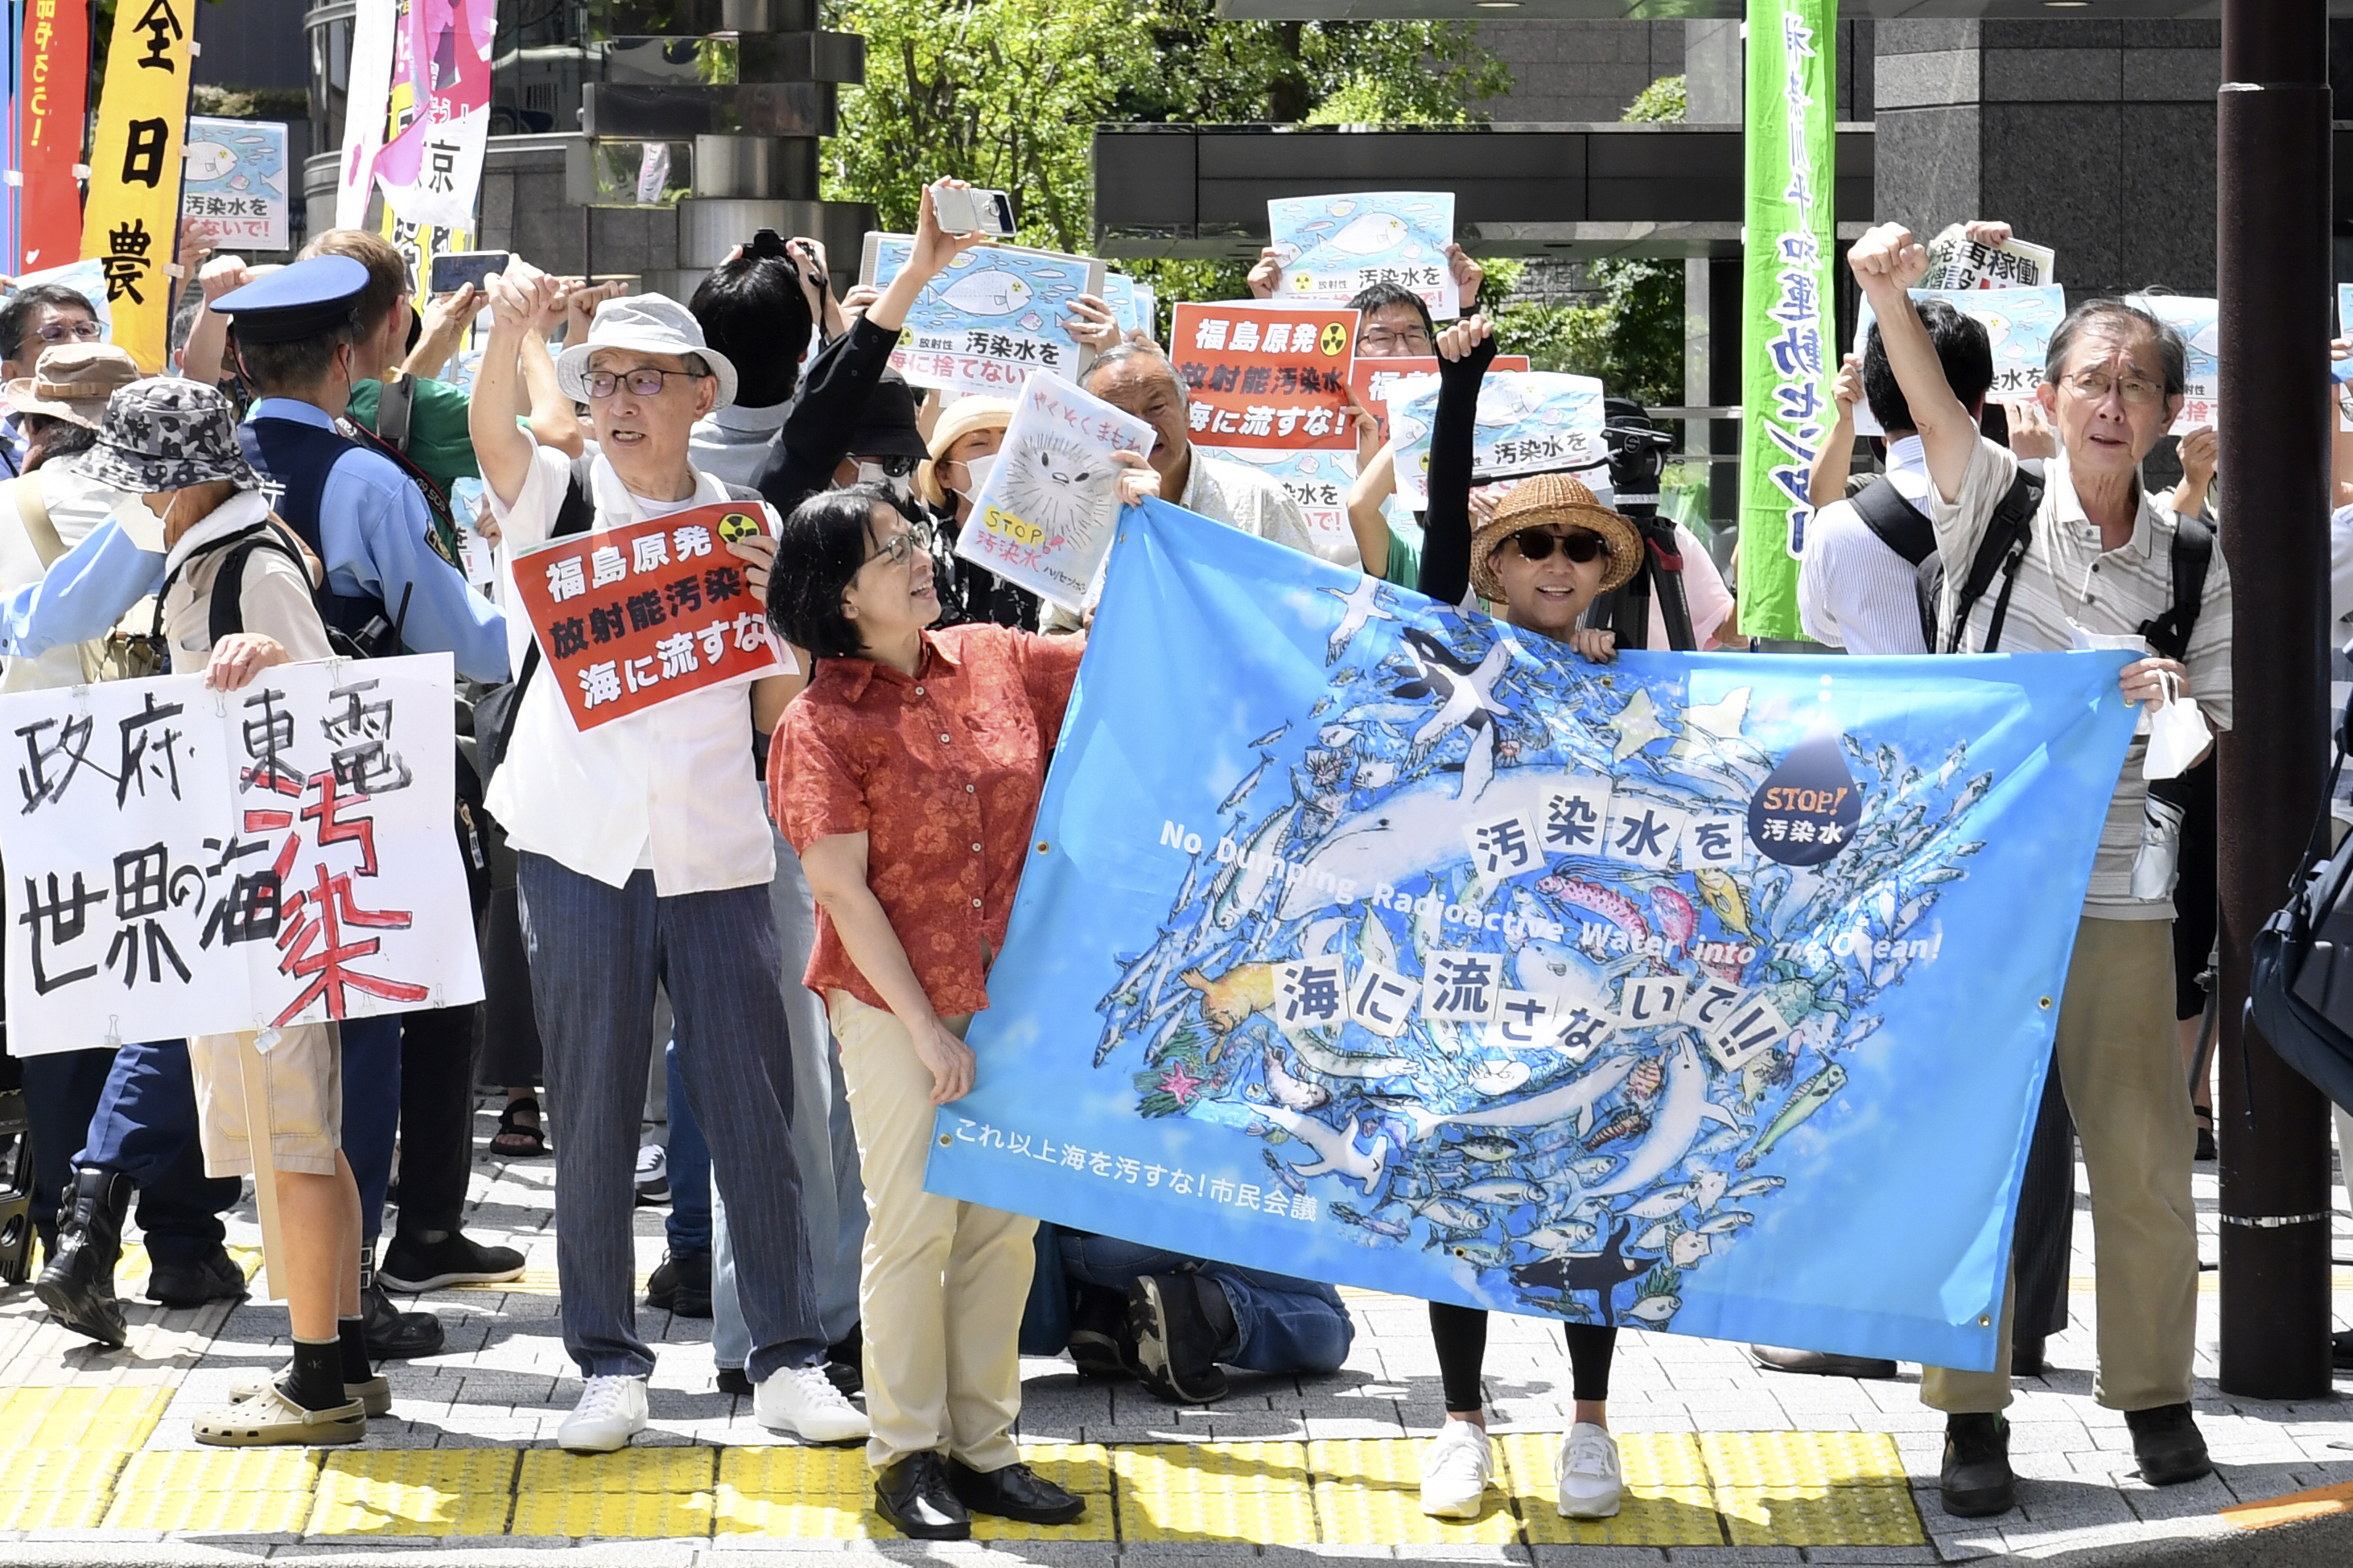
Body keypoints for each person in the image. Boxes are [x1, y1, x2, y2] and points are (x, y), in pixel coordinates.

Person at [1851, 221, 2230, 1517]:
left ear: (2174, 415)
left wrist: (2174, 694)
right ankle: (1972, 1419)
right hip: (1980, 894)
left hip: (2126, 889)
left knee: (2142, 1157)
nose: (2113, 404)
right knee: (1984, 1158)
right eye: (2093, 381)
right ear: (2045, 397)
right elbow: (1928, 398)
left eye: (2138, 386)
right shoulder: (1993, 497)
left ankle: (2158, 1401)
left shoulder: (2189, 557)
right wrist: (1891, 294)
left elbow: (2214, 725)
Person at [469, 265, 867, 1453]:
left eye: (650, 380)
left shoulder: (752, 531)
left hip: (715, 844)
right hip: (578, 842)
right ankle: (605, 1360)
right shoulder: (560, 500)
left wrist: (783, 619)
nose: (623, 401)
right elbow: (496, 431)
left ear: (704, 395)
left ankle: (792, 1353)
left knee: (755, 1097)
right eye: (605, 381)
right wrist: (509, 336)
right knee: (591, 1100)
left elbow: (773, 713)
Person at [768, 456, 1155, 1538]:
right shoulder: (820, 722)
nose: (919, 557)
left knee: (1001, 1231)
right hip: (895, 1003)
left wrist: (1130, 526)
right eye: (891, 550)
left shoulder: (991, 657)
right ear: (841, 594)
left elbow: (1122, 655)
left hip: (1014, 991)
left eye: (914, 539)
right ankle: (904, 1454)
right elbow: (838, 887)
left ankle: (986, 1446)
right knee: (917, 1225)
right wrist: (928, 1027)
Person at [68, 378, 378, 1446]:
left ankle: (317, 1380)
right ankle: (336, 1351)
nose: (141, 504)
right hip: (245, 882)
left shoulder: (247, 563)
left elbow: (337, 709)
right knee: (297, 1131)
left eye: (150, 484)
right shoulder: (218, 553)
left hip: (275, 889)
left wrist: (286, 662)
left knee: (291, 1134)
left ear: (191, 480)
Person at [1407, 315, 1636, 1523]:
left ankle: (1592, 1426)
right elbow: (1444, 521)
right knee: (1463, 1185)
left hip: (1591, 976)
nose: (1557, 564)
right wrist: (1461, 384)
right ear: (1495, 569)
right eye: (1534, 546)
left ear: (1604, 568)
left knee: (1592, 1191)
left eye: (1579, 548)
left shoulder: (1628, 673)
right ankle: (1459, 1420)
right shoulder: (1448, 644)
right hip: (1463, 966)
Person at [1041, 344, 1321, 631]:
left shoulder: (1258, 499)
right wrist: (1095, 637)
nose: (1143, 427)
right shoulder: (1078, 509)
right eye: (1119, 416)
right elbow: (1054, 631)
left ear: (1187, 411)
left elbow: (1315, 618)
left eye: (1156, 408)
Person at [1796, 300, 1995, 656]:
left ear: (1872, 406)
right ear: (1981, 402)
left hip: (1882, 711)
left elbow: (1822, 626)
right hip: (2001, 711)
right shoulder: (2030, 503)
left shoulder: (1835, 526)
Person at [1051, 1233, 1354, 1405]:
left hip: (1055, 1238)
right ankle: (1200, 1312)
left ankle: (1106, 1311)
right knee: (1335, 1322)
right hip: (1132, 1231)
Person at [913, 395, 1041, 630]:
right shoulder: (923, 554)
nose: (999, 455)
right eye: (979, 444)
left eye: (1011, 441)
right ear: (944, 474)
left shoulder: (1053, 548)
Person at [0, 282, 102, 475]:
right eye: (53, 334)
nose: (76, 343)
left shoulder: (136, 436)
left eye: (84, 331)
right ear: (12, 373)